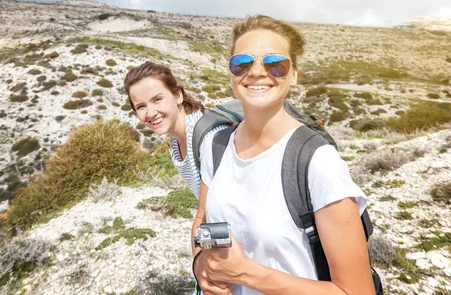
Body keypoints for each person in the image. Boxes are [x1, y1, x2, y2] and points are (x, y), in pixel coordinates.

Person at [193, 15, 375, 294]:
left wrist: (245, 274)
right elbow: (202, 220)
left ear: (293, 75)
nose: (256, 72)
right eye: (242, 63)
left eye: (275, 64)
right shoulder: (216, 146)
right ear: (231, 72)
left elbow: (357, 291)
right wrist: (199, 264)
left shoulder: (316, 161)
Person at [124, 62, 234, 294]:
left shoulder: (209, 138)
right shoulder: (176, 143)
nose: (150, 113)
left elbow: (210, 215)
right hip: (226, 240)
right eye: (140, 106)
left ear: (178, 95)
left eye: (157, 99)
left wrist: (203, 267)